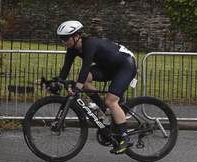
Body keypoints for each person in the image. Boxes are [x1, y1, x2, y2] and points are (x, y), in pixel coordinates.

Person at [56, 20, 137, 154]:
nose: (63, 41)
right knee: (82, 78)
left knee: (111, 100)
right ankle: (104, 109)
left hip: (125, 65)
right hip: (109, 67)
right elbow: (66, 68)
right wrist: (57, 84)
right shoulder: (72, 49)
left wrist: (77, 88)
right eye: (61, 38)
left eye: (65, 38)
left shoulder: (89, 44)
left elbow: (85, 67)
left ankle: (125, 138)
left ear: (77, 36)